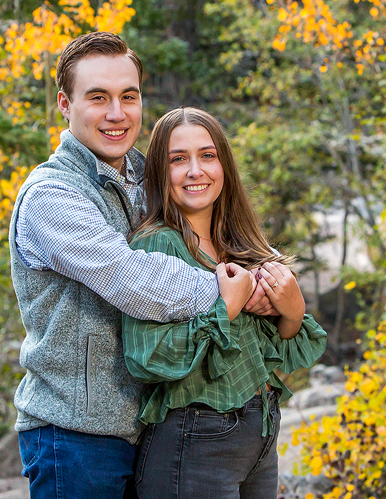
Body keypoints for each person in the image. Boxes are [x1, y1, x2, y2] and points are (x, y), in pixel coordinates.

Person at [9, 33, 274, 499]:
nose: (117, 113)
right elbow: (133, 278)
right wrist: (232, 292)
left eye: (128, 97)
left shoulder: (148, 176)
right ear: (64, 105)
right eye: (98, 98)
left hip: (155, 428)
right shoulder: (51, 196)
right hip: (76, 436)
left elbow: (210, 231)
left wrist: (271, 279)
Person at [123, 108, 328, 499]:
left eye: (208, 155)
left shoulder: (240, 242)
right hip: (195, 442)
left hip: (260, 434)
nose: (195, 170)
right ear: (159, 174)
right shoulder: (157, 245)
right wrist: (226, 309)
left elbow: (280, 348)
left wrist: (293, 307)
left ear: (225, 165)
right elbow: (147, 357)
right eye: (177, 159)